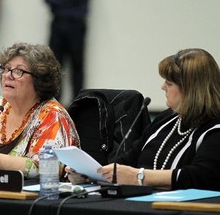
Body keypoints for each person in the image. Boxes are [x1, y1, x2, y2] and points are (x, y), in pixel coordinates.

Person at [66, 48, 220, 190]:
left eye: (169, 83)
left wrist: (139, 176)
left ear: (191, 90)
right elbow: (127, 161)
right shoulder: (166, 120)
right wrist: (91, 174)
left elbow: (202, 175)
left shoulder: (214, 128)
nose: (162, 87)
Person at [0, 43, 80, 179]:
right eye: (6, 69)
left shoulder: (52, 115)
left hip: (30, 198)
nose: (8, 75)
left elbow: (47, 168)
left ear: (39, 80)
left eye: (19, 71)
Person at [44, 0, 90, 102]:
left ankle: (78, 102)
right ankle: (55, 102)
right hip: (58, 25)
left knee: (77, 65)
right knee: (55, 66)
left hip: (76, 25)